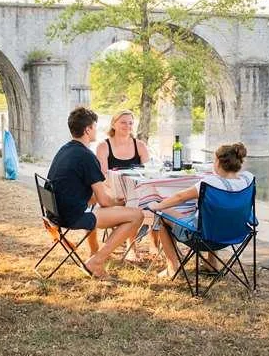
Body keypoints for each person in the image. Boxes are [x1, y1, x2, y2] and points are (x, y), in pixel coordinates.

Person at [46, 106, 143, 279]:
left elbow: (80, 191)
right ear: (87, 130)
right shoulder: (86, 156)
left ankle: (97, 254)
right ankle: (96, 261)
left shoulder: (65, 149)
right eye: (94, 127)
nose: (96, 130)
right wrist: (118, 203)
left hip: (54, 213)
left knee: (117, 210)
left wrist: (112, 204)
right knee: (137, 216)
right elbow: (104, 201)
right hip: (72, 217)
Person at [146, 142, 253, 277]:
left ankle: (172, 267)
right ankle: (212, 263)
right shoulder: (247, 180)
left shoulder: (209, 183)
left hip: (203, 239)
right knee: (213, 216)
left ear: (218, 162)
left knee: (162, 214)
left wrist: (156, 206)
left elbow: (180, 197)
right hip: (235, 234)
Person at [95, 110, 153, 261]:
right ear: (114, 124)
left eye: (130, 123)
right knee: (130, 201)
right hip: (112, 192)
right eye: (123, 122)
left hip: (137, 190)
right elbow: (102, 176)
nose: (127, 126)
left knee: (155, 199)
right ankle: (131, 246)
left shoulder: (140, 145)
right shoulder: (103, 146)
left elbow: (149, 172)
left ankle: (155, 246)